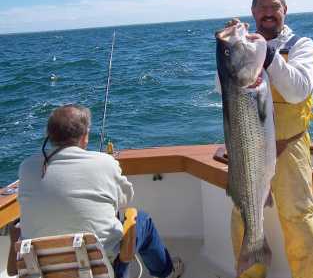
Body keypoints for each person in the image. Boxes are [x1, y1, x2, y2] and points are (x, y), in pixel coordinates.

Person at [12, 104, 184, 278]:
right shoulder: (104, 163)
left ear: (49, 136)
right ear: (85, 136)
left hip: (41, 271)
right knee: (143, 220)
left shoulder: (27, 167)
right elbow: (126, 197)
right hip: (102, 270)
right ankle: (167, 273)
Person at [227, 0, 313, 278]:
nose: (269, 13)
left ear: (285, 10)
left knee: (297, 218)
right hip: (247, 148)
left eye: (275, 7)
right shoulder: (246, 50)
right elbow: (225, 88)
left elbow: (298, 90)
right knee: (242, 215)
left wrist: (266, 56)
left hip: (290, 147)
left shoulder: (301, 46)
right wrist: (233, 51)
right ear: (253, 12)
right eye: (263, 8)